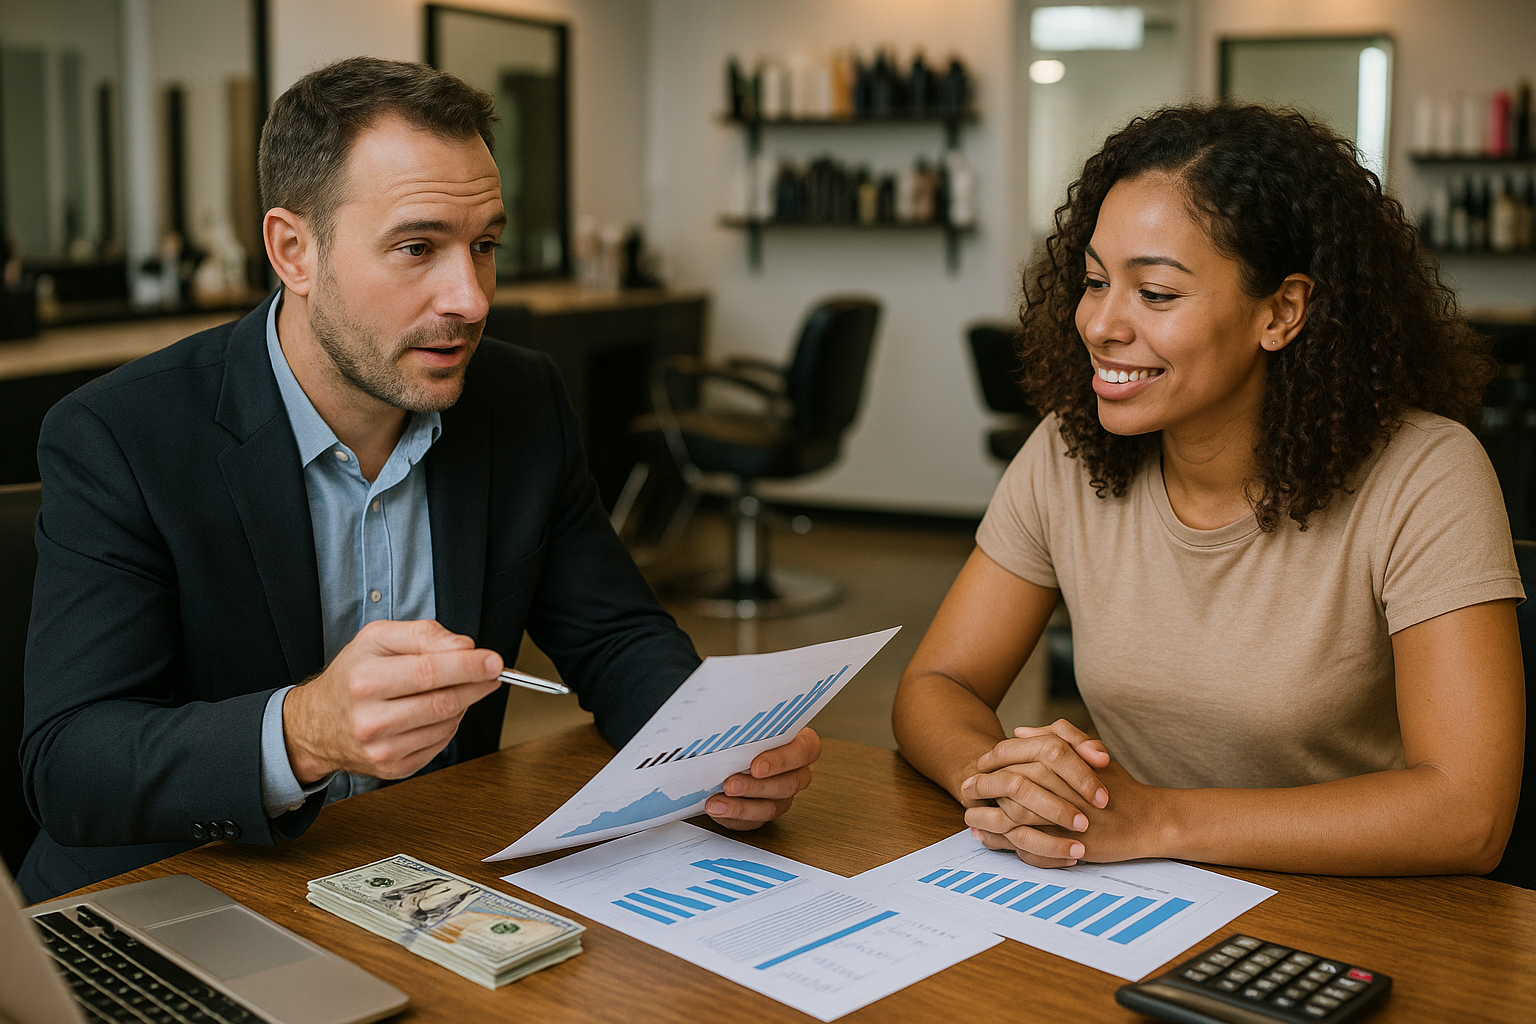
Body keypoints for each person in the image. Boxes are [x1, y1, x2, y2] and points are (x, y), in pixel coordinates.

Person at [17, 57, 818, 902]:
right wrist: (303, 733)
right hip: (181, 893)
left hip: (422, 878)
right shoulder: (121, 435)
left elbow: (616, 636)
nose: (470, 299)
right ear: (293, 251)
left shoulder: (519, 399)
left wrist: (714, 747)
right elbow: (69, 762)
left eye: (484, 246)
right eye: (416, 248)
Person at [892, 103, 1524, 876]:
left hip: (1358, 904)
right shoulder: (1068, 450)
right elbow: (937, 685)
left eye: (1156, 293)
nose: (1100, 324)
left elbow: (1468, 813)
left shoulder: (1425, 474)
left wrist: (1157, 819)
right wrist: (1006, 782)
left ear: (1282, 311)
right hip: (1143, 888)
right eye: (1095, 281)